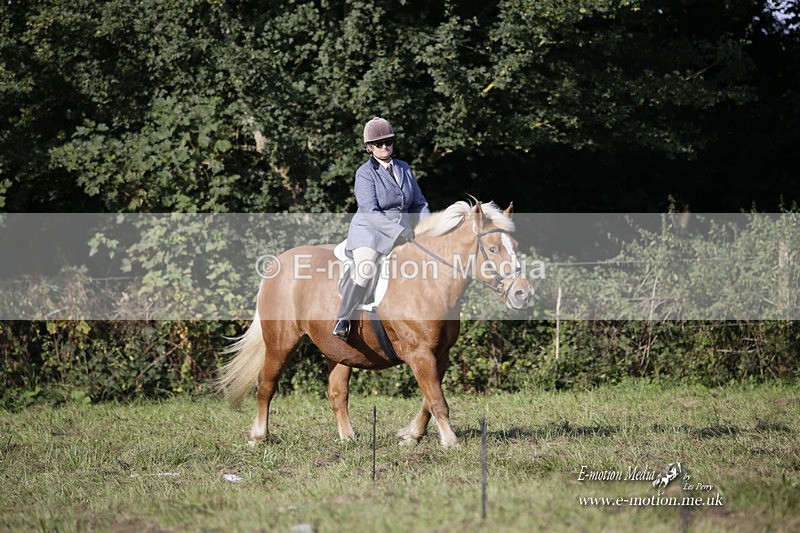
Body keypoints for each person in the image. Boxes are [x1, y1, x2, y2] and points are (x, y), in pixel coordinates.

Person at [333, 117, 431, 340]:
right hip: (371, 233)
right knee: (365, 268)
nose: (385, 146)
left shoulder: (404, 168)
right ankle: (343, 318)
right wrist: (397, 232)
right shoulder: (365, 173)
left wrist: (427, 228)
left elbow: (419, 202)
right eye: (379, 144)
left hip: (405, 233)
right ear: (369, 147)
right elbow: (369, 210)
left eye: (388, 141)